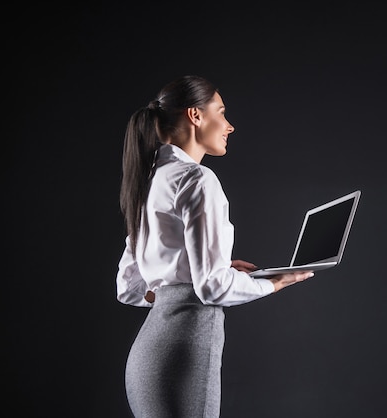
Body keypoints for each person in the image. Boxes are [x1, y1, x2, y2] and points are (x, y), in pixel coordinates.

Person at [115, 75, 314, 417]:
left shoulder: (149, 181)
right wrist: (272, 283)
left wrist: (177, 288)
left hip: (148, 356)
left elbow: (128, 287)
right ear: (195, 115)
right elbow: (212, 288)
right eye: (221, 112)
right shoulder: (196, 179)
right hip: (184, 350)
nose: (230, 125)